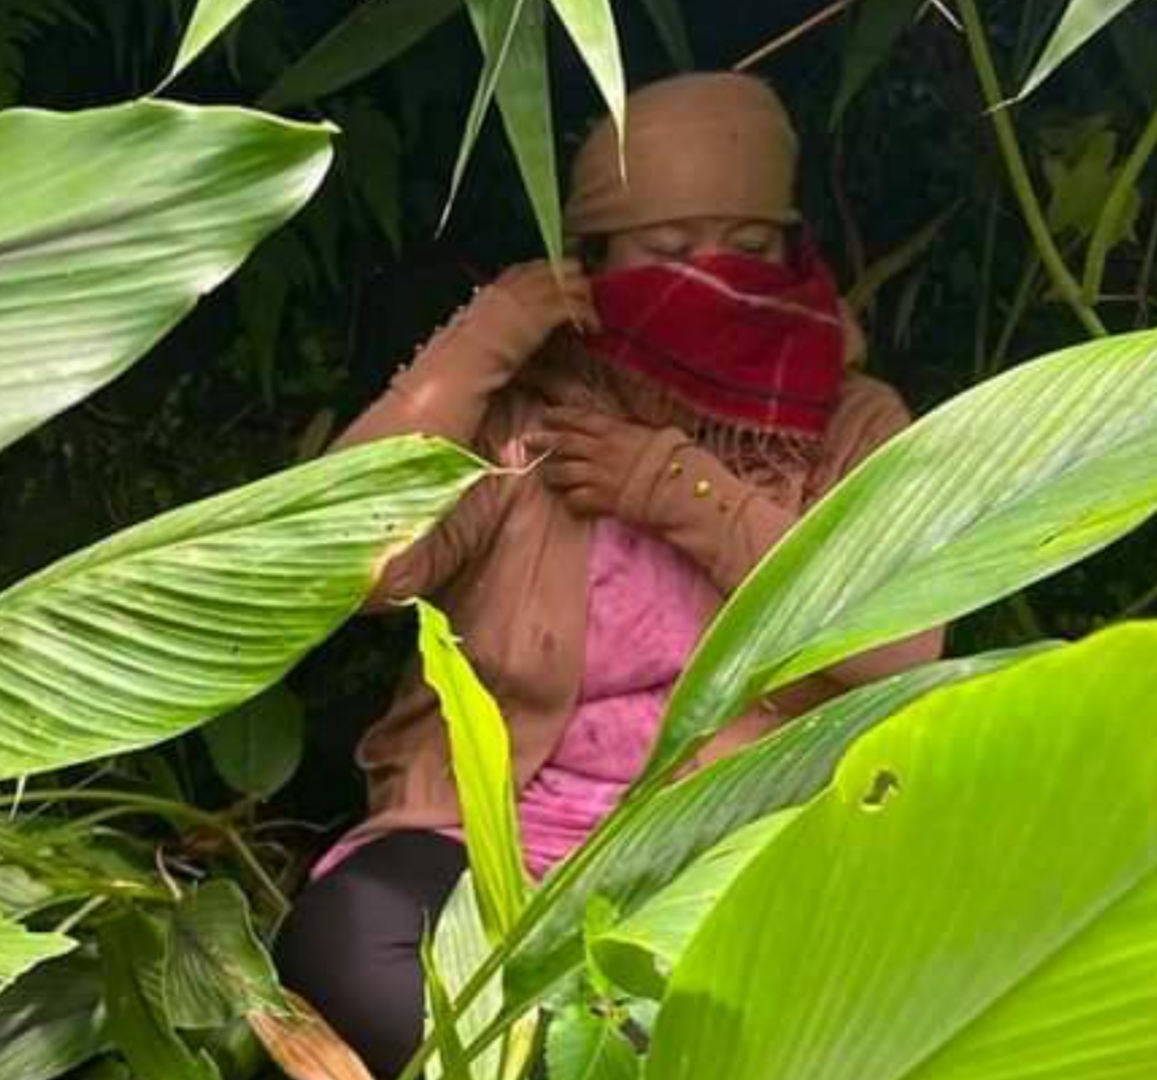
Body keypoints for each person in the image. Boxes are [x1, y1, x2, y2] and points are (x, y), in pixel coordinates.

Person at [272, 72, 944, 1075]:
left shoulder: (854, 423)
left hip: (734, 856)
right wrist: (484, 338)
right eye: (667, 253)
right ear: (592, 265)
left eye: (749, 247)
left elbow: (904, 648)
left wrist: (677, 487)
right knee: (346, 947)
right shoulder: (533, 413)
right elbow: (344, 565)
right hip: (490, 845)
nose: (712, 276)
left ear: (795, 251)